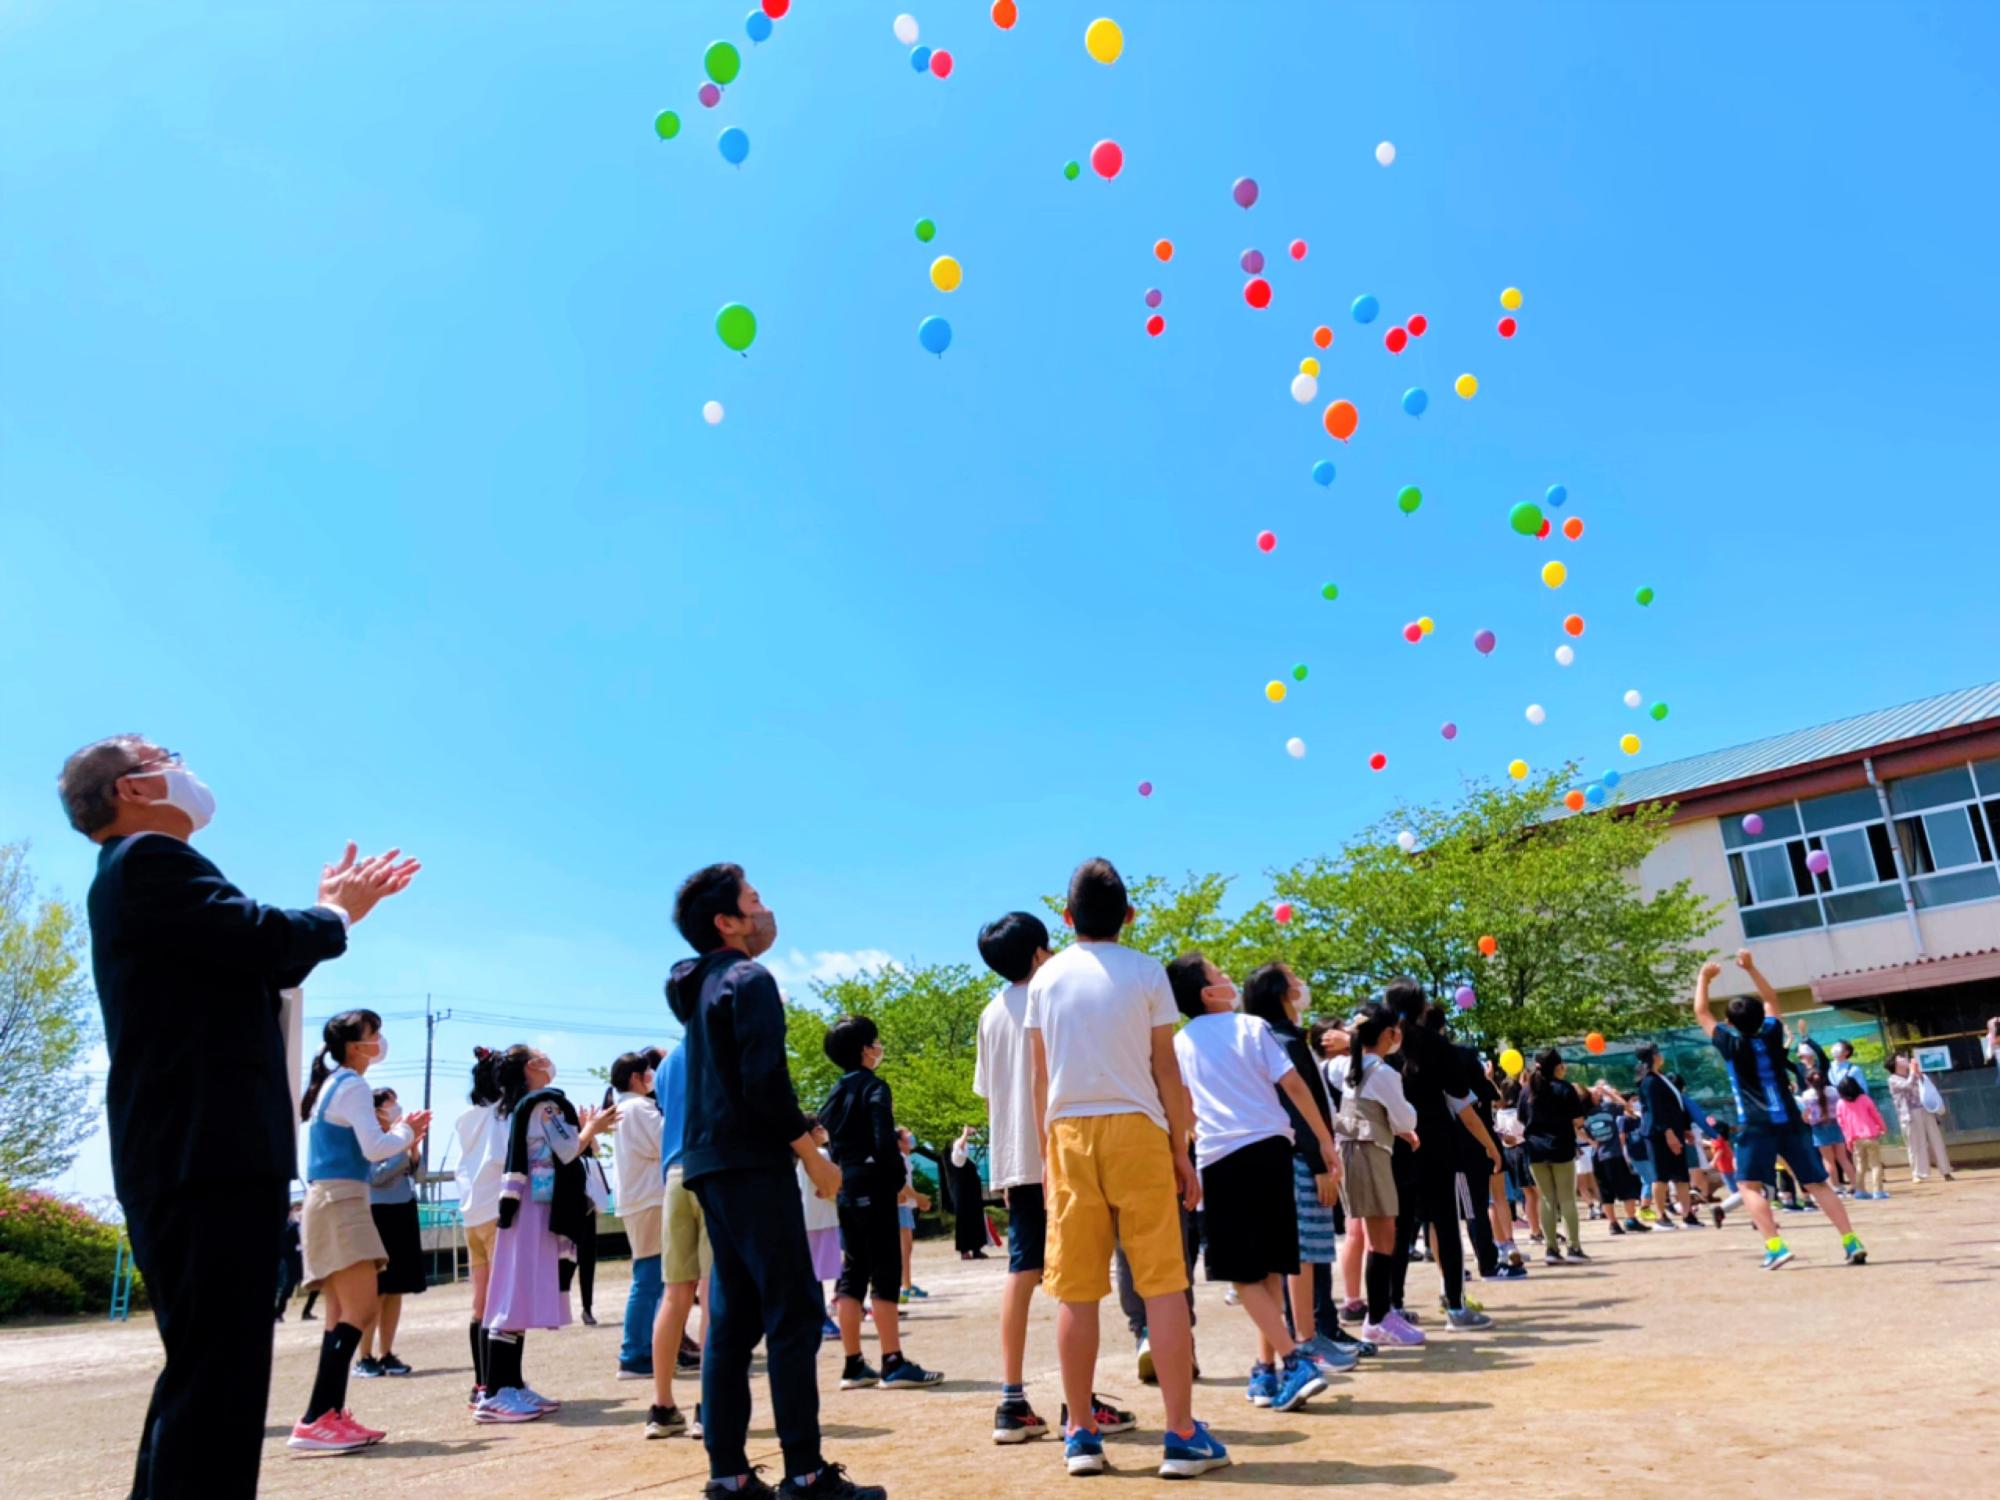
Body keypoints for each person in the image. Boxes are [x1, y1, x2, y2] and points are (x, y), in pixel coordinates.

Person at [64, 734, 418, 1496]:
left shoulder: (134, 878)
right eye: (164, 755)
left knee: (204, 1370)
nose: (183, 767)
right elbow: (264, 936)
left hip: (189, 1156)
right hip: (207, 1156)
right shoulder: (149, 862)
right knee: (219, 1377)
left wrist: (328, 919)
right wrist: (334, 911)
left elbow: (264, 955)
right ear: (131, 788)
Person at [665, 864, 884, 1500]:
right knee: (793, 1315)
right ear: (725, 922)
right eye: (754, 901)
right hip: (753, 1164)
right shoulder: (748, 978)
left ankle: (728, 1475)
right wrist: (812, 1157)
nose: (766, 910)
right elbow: (764, 1083)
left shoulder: (697, 987)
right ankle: (806, 1473)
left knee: (730, 1322)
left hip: (706, 1164)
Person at [1026, 858, 1227, 1481]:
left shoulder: (1045, 979)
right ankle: (1183, 1435)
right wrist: (1181, 1147)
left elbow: (1039, 1076)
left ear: (1066, 918)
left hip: (1067, 1133)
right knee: (1163, 1283)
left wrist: (1046, 1152)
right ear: (1129, 917)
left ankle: (1081, 1433)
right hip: (1140, 1130)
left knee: (1075, 1289)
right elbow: (1165, 1067)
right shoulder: (1146, 972)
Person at [1165, 953, 1340, 1412]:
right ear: (1209, 993)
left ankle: (1293, 1358)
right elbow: (1296, 1087)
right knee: (1270, 1267)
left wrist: (1183, 1155)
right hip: (1273, 1150)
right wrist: (1324, 1141)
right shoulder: (1253, 1028)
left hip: (1222, 1157)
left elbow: (1182, 1110)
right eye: (1220, 974)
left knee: (1240, 1273)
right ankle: (1266, 1370)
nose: (1228, 977)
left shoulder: (1180, 1043)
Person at [290, 1011, 430, 1451]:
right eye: (374, 1034)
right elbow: (375, 1148)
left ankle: (326, 1415)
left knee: (340, 1316)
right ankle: (317, 1417)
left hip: (331, 1198)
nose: (380, 1041)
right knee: (360, 1309)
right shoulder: (351, 1084)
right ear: (355, 1045)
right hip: (342, 1201)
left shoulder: (334, 1084)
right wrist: (408, 1130)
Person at [1695, 951, 1866, 1269]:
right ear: (1762, 1017)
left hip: (1756, 1123)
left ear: (1729, 1023)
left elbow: (1701, 1011)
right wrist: (1751, 968)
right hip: (1790, 1119)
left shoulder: (1730, 1045)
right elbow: (1771, 999)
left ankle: (1775, 1245)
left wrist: (1703, 978)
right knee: (1817, 1183)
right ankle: (1851, 1240)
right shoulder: (1773, 1034)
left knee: (1748, 1185)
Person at [480, 1045, 616, 1422]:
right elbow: (569, 1149)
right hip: (536, 1207)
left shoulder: (519, 1106)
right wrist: (593, 1128)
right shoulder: (546, 1105)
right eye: (541, 1056)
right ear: (533, 1066)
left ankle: (511, 1384)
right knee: (515, 1292)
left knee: (516, 1291)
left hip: (524, 1203)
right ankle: (496, 1391)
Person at [1239, 963, 1366, 1365]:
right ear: (1281, 993)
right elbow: (1297, 1107)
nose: (1301, 985)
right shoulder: (1282, 1041)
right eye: (1294, 980)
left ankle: (1308, 1335)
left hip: (1295, 1157)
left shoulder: (1279, 1038)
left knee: (1306, 1252)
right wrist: (1319, 1162)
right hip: (1300, 1158)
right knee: (1303, 1254)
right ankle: (1306, 1338)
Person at [819, 1014, 946, 1391]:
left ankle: (854, 1363)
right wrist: (897, 1182)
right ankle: (893, 1360)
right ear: (864, 1050)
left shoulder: (835, 1092)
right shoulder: (874, 1087)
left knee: (853, 1271)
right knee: (886, 1269)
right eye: (874, 1042)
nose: (878, 1048)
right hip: (875, 1186)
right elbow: (882, 1138)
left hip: (847, 1185)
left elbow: (833, 1142)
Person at [974, 909, 1055, 1444]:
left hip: (1015, 1159)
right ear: (1038, 953)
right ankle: (1082, 1401)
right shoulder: (1053, 996)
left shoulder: (990, 1012)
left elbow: (989, 1092)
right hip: (1060, 1153)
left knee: (1022, 1271)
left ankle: (1012, 1397)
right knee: (1079, 1276)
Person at [1381, 981, 1493, 1328]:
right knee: (1445, 1222)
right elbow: (1460, 1097)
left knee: (1399, 1228)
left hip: (1395, 1142)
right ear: (1422, 1007)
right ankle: (1456, 1307)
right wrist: (1488, 1143)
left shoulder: (1382, 1043)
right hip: (1436, 1141)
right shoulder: (1438, 1045)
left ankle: (1393, 1305)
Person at [1334, 1004, 1419, 1346]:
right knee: (1383, 1235)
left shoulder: (1349, 1068)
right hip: (1370, 1153)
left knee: (1379, 1233)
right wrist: (1405, 1125)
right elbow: (1406, 1119)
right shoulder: (1383, 1073)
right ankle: (1379, 1317)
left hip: (1358, 1151)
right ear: (1387, 1034)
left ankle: (1380, 1313)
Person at [645, 1038, 711, 1441]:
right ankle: (710, 1405)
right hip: (714, 1171)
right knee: (713, 1290)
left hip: (674, 1177)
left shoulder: (667, 1064)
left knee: (675, 1294)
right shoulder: (722, 1045)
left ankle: (662, 1405)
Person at [357, 1087, 426, 1377]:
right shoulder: (369, 1140)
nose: (397, 1112)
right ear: (376, 1113)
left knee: (397, 1287)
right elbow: (375, 1177)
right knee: (378, 1289)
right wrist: (401, 1147)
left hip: (404, 1210)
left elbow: (420, 1176)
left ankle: (387, 1353)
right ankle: (364, 1356)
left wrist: (413, 1149)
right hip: (379, 1215)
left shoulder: (400, 1140)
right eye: (390, 1107)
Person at [454, 1048, 507, 1409]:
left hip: (471, 1213)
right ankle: (497, 1384)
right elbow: (506, 1158)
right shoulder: (501, 1117)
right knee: (500, 1302)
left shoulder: (465, 1117)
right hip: (496, 1212)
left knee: (480, 1301)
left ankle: (480, 1382)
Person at [611, 1048, 666, 1379]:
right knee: (648, 1278)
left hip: (637, 1198)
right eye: (648, 1072)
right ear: (636, 1077)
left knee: (650, 1277)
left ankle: (641, 1349)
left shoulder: (624, 1108)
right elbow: (664, 1143)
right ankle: (634, 1353)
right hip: (650, 1198)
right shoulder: (640, 1108)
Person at [1515, 1050, 1588, 1265]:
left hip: (1535, 1149)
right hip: (1560, 1146)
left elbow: (1521, 1118)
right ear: (1557, 1066)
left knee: (1546, 1198)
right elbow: (1579, 1120)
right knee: (1567, 1198)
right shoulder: (1564, 1088)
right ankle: (1574, 1247)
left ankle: (1551, 1249)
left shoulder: (1526, 1090)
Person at [1634, 1045, 1700, 1230]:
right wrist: (1669, 1134)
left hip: (1674, 1131)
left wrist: (1684, 1129)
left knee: (1681, 1176)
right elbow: (1657, 1111)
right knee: (1660, 1176)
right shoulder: (1649, 1082)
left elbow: (1675, 1106)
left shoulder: (1661, 1077)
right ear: (1652, 1057)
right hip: (1658, 1134)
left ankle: (1688, 1215)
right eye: (1657, 1052)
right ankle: (1661, 1216)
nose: (1660, 1055)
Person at [560, 1124, 610, 1324]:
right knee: (569, 1259)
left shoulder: (583, 1133)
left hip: (589, 1205)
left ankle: (586, 1308)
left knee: (588, 1258)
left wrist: (588, 1129)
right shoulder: (563, 1136)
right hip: (571, 1206)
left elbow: (596, 1150)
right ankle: (560, 1305)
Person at [798, 1117, 844, 1335]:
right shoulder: (820, 1156)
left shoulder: (796, 1157)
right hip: (820, 1221)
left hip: (804, 1220)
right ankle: (820, 1318)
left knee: (808, 1273)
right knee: (816, 1274)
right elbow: (833, 1187)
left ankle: (815, 1316)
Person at [1583, 1084, 1648, 1235]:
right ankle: (1626, 1221)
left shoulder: (1595, 1110)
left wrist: (1589, 1140)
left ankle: (1617, 1223)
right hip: (1610, 1155)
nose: (1597, 1093)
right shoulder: (1600, 1109)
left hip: (1601, 1155)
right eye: (1594, 1092)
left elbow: (1626, 1106)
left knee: (1609, 1191)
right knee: (1623, 1189)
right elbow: (1625, 1105)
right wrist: (1609, 1092)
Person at [1886, 1050, 1955, 1183]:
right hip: (1909, 1114)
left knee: (1936, 1140)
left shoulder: (1914, 1074)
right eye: (1900, 1058)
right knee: (1915, 1144)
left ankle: (1946, 1171)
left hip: (1926, 1110)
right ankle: (1918, 1173)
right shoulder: (1892, 1079)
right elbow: (1906, 1086)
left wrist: (1919, 1074)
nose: (1904, 1059)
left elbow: (1927, 1088)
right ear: (1894, 1063)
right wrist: (1913, 1072)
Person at [1797, 1067, 1855, 1196]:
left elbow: (1806, 1116)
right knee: (1843, 1158)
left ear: (1808, 1081)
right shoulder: (1833, 1091)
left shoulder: (1806, 1095)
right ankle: (1856, 1185)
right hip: (1836, 1126)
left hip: (1819, 1128)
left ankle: (1836, 1187)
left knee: (1828, 1160)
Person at [1834, 1076, 1889, 1200]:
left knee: (1860, 1166)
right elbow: (1875, 1114)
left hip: (1855, 1139)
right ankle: (1878, 1191)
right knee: (1875, 1165)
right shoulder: (1864, 1099)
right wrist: (1883, 1127)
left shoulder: (1840, 1104)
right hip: (1871, 1136)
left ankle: (1860, 1190)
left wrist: (1848, 1139)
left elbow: (1842, 1124)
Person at [894, 1129, 933, 1303]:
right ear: (899, 1141)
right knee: (903, 1249)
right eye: (906, 1135)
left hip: (905, 1206)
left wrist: (916, 1201)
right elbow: (900, 1184)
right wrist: (918, 1199)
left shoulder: (904, 1158)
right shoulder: (899, 1158)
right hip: (900, 1207)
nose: (911, 1137)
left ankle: (906, 1284)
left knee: (906, 1249)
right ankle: (905, 1286)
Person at [948, 1126, 991, 1260]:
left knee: (976, 1221)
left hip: (973, 1197)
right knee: (964, 1222)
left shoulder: (968, 1158)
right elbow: (959, 1146)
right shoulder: (957, 1157)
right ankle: (964, 1250)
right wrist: (965, 1134)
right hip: (963, 1197)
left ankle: (977, 1249)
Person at [276, 1203, 304, 1321]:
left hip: (298, 1257)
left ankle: (279, 1312)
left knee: (292, 1283)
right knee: (289, 1284)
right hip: (288, 1258)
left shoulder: (297, 1224)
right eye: (296, 1209)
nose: (298, 1212)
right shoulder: (287, 1225)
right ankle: (278, 1312)